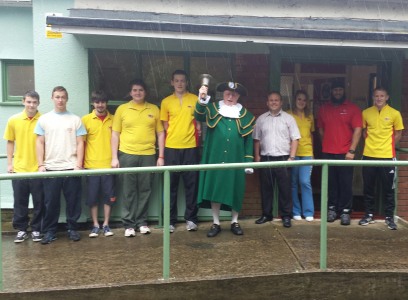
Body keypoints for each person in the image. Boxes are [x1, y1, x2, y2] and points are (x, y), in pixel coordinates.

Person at [195, 81, 255, 237]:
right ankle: (216, 223)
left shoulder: (246, 116)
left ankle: (234, 221)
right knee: (216, 188)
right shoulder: (213, 108)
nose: (231, 96)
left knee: (236, 189)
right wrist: (201, 99)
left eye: (234, 94)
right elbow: (198, 115)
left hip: (236, 159)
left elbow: (248, 141)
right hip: (215, 157)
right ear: (223, 94)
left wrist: (248, 162)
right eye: (228, 93)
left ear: (239, 96)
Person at [111, 79, 164, 237]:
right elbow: (115, 133)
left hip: (148, 155)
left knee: (145, 190)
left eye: (140, 90)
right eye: (134, 90)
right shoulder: (122, 109)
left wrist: (160, 156)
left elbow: (160, 133)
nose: (137, 93)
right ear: (130, 92)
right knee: (129, 191)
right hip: (127, 154)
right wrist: (114, 157)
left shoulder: (154, 109)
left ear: (145, 92)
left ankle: (142, 222)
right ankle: (129, 224)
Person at [35, 86, 87, 244]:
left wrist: (78, 164)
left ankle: (72, 229)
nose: (60, 100)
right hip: (51, 168)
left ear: (67, 99)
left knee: (73, 201)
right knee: (51, 202)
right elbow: (39, 142)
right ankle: (50, 231)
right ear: (52, 98)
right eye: (57, 97)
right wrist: (40, 165)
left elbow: (80, 143)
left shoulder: (75, 119)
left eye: (63, 97)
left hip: (71, 167)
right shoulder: (44, 119)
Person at [317, 80, 362, 225]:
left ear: (344, 91)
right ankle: (332, 209)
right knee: (331, 183)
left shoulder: (353, 108)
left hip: (345, 154)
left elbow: (358, 130)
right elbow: (321, 129)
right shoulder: (324, 109)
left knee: (345, 183)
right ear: (331, 91)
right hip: (328, 153)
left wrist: (352, 150)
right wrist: (327, 143)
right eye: (335, 90)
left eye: (340, 90)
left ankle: (345, 211)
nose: (337, 92)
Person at [160, 70, 200, 233]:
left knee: (192, 186)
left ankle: (191, 219)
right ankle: (170, 220)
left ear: (187, 82)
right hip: (171, 148)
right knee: (171, 186)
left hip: (190, 147)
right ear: (172, 82)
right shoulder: (166, 102)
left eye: (182, 80)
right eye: (176, 80)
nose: (180, 83)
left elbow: (199, 122)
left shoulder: (196, 99)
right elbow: (165, 125)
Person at [254, 91, 300, 228]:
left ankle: (286, 216)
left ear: (281, 102)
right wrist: (257, 157)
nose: (274, 102)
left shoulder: (289, 118)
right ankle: (266, 214)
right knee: (266, 189)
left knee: (285, 190)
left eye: (276, 100)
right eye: (271, 100)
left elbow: (295, 139)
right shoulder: (261, 119)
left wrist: (291, 157)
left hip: (283, 159)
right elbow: (256, 140)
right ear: (267, 103)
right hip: (266, 159)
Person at [359, 87, 404, 230]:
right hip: (369, 155)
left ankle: (389, 217)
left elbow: (398, 133)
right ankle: (368, 215)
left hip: (387, 156)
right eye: (376, 96)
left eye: (382, 96)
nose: (379, 98)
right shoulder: (366, 113)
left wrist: (387, 146)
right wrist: (373, 144)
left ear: (387, 97)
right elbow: (364, 132)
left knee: (388, 189)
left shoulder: (395, 113)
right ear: (373, 97)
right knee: (368, 187)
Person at [3, 91, 44, 243]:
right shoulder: (13, 120)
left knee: (39, 201)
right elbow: (10, 142)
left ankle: (37, 229)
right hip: (19, 168)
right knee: (20, 201)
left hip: (38, 169)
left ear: (38, 103)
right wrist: (9, 163)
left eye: (34, 102)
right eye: (28, 102)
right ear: (23, 102)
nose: (31, 105)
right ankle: (21, 230)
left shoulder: (44, 120)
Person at [82, 91, 115, 238]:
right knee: (92, 197)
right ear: (93, 103)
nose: (100, 105)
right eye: (97, 102)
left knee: (109, 197)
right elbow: (81, 143)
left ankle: (106, 224)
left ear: (106, 103)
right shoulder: (85, 120)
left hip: (109, 165)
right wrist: (81, 163)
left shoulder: (114, 120)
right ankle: (95, 225)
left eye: (102, 102)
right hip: (91, 165)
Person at [287, 90, 315, 221]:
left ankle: (308, 212)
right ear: (294, 100)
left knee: (305, 182)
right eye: (299, 99)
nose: (301, 102)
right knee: (293, 183)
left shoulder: (310, 116)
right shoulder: (288, 114)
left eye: (304, 100)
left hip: (307, 153)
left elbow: (311, 134)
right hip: (293, 153)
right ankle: (296, 211)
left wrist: (313, 153)